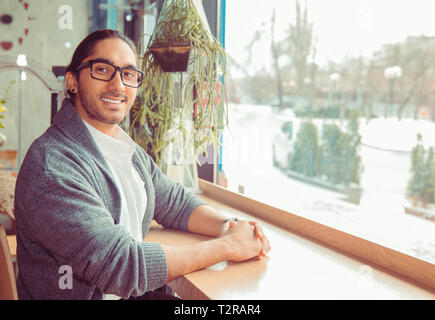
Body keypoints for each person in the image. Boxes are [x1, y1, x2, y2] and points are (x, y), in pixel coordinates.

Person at [14, 29, 270, 300]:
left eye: (128, 74)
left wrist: (229, 225)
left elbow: (174, 202)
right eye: (102, 69)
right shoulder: (53, 166)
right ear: (72, 81)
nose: (118, 85)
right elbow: (124, 266)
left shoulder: (125, 149)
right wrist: (228, 246)